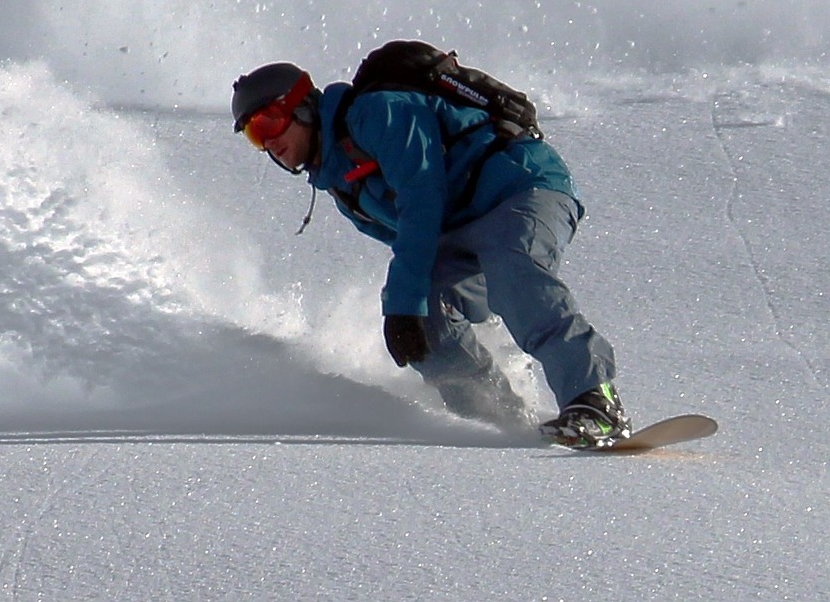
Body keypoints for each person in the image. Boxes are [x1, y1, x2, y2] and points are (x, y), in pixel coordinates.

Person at [230, 60, 628, 447]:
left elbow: (421, 199)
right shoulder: (342, 187)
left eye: (268, 123)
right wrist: (418, 307)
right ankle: (499, 418)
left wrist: (404, 302)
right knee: (427, 322)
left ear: (301, 107)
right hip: (460, 231)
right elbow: (413, 244)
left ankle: (595, 401)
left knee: (512, 270)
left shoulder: (376, 113)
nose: (267, 143)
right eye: (253, 136)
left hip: (519, 188)